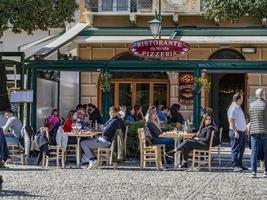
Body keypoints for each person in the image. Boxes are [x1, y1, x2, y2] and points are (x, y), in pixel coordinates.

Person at [249, 88, 267, 178]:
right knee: (266, 151)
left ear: (256, 95)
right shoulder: (266, 104)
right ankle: (266, 172)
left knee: (254, 152)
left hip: (254, 131)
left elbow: (251, 118)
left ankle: (253, 171)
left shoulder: (251, 105)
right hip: (265, 131)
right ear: (263, 94)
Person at [227, 92, 248, 172]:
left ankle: (239, 164)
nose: (243, 100)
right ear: (238, 99)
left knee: (241, 149)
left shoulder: (238, 107)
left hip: (241, 132)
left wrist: (245, 128)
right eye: (242, 98)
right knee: (235, 149)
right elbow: (231, 120)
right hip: (236, 132)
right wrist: (235, 131)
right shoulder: (233, 107)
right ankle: (235, 165)